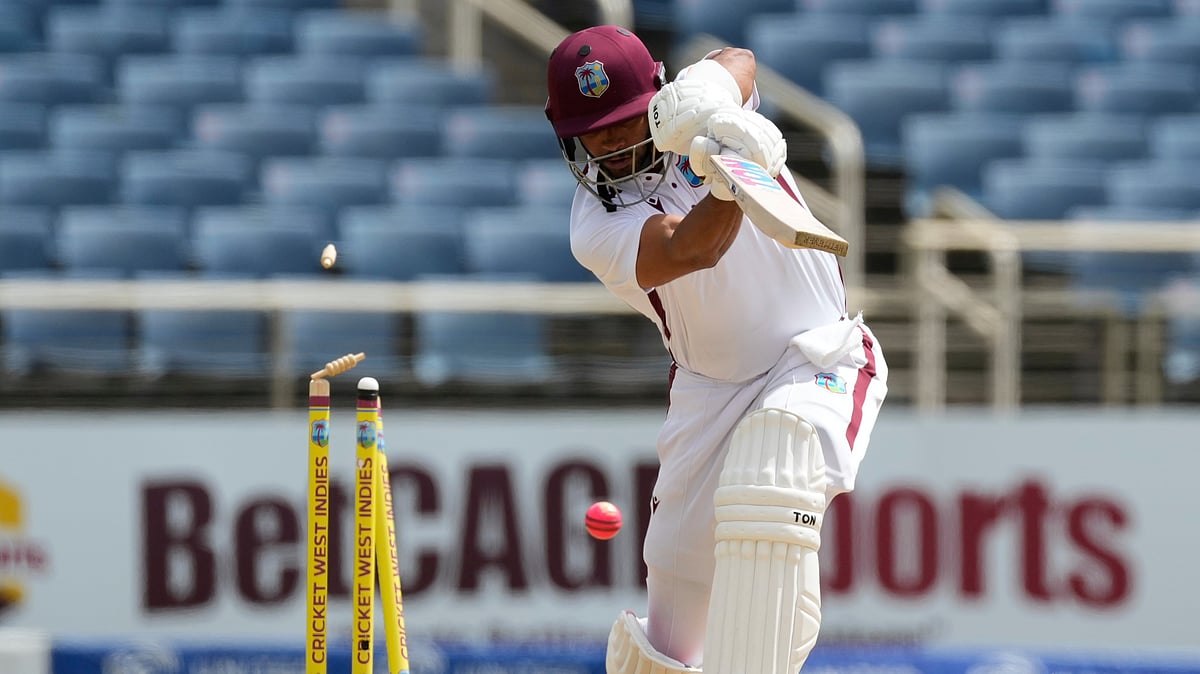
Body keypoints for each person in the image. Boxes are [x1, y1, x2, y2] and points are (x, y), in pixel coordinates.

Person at [545, 25, 889, 674]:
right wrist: (729, 181)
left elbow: (739, 61)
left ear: (654, 101)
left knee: (775, 458)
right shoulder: (594, 226)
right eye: (595, 132)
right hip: (710, 390)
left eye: (623, 122)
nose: (614, 143)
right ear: (568, 138)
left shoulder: (690, 113)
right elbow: (689, 249)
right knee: (671, 629)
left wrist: (712, 104)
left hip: (819, 353)